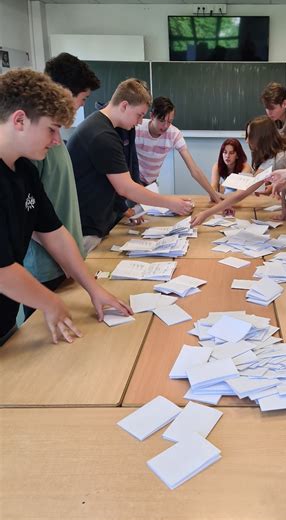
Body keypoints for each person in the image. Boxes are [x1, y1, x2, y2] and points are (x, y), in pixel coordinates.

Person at [0, 69, 132, 345]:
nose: (57, 141)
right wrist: (48, 301)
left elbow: (55, 233)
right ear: (20, 120)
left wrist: (93, 289)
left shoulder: (24, 170)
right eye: (52, 129)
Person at [68, 79, 193, 253]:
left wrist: (122, 209)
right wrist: (170, 203)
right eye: (139, 115)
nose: (140, 121)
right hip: (86, 228)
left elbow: (116, 176)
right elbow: (125, 188)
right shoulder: (102, 136)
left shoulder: (108, 127)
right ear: (124, 106)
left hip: (98, 221)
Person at [22, 53, 100, 320]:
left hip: (65, 263)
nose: (57, 139)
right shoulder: (27, 153)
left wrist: (84, 277)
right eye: (83, 99)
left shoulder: (49, 142)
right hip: (44, 269)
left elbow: (48, 221)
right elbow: (32, 225)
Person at [191, 116, 286, 226]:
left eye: (249, 136)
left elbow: (242, 193)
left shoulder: (275, 159)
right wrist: (285, 212)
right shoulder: (278, 152)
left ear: (260, 138)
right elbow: (285, 182)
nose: (246, 141)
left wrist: (206, 213)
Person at [135, 96, 222, 202]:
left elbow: (194, 169)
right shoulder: (137, 128)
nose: (166, 126)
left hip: (152, 184)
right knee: (133, 214)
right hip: (133, 181)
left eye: (170, 121)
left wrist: (212, 194)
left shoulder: (174, 134)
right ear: (152, 116)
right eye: (162, 120)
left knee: (151, 215)